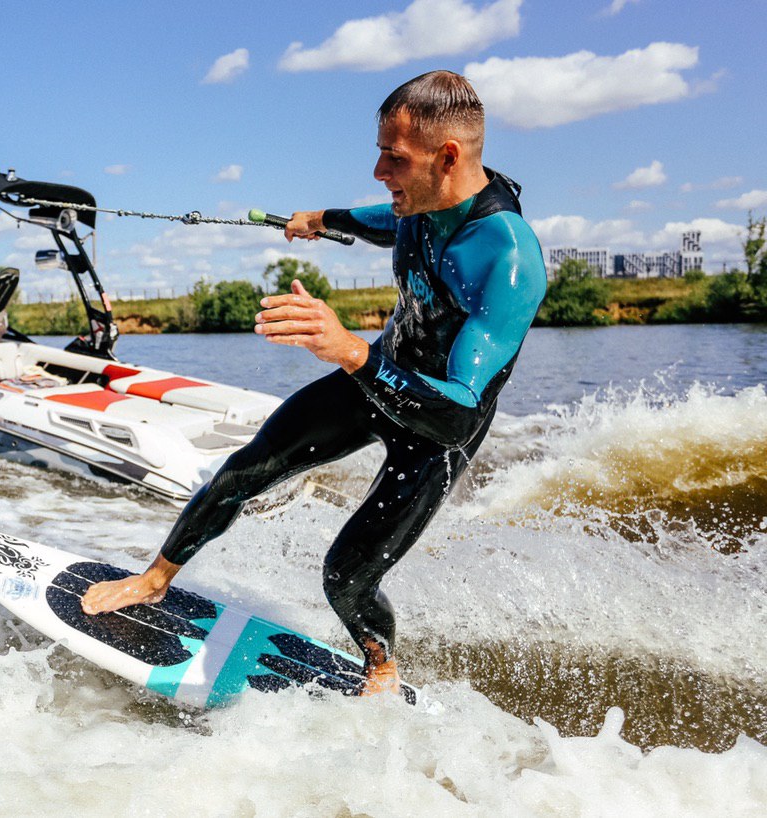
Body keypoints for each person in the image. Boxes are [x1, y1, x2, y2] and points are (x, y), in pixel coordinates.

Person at [81, 70, 547, 695]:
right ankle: (155, 578)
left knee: (344, 578)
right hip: (370, 379)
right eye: (380, 151)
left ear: (448, 157)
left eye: (394, 157)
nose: (380, 170)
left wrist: (351, 351)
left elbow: (460, 416)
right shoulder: (422, 202)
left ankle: (381, 664)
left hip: (435, 426)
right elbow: (384, 218)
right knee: (244, 470)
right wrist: (320, 219)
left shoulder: (509, 259)